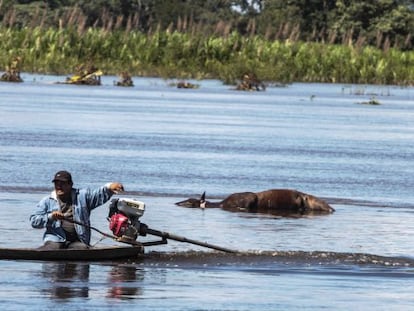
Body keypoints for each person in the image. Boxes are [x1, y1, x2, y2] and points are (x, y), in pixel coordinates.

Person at [30, 170, 124, 250]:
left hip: (77, 241)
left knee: (83, 248)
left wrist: (110, 186)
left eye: (62, 183)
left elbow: (98, 195)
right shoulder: (47, 201)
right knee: (52, 248)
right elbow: (34, 221)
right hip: (55, 239)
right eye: (56, 183)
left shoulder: (82, 196)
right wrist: (51, 217)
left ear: (70, 184)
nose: (59, 186)